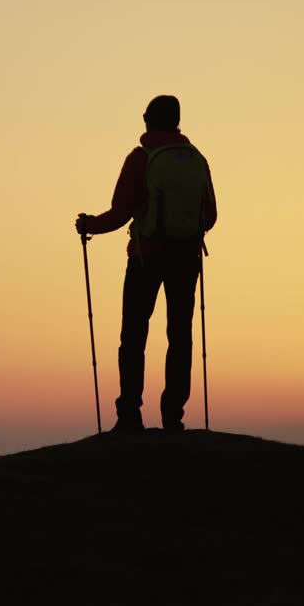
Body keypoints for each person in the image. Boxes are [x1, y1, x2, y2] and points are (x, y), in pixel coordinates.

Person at [74, 95, 218, 432]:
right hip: (186, 258)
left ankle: (129, 415)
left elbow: (120, 213)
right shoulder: (196, 159)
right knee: (180, 335)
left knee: (134, 334)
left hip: (146, 257)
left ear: (146, 120)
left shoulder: (140, 159)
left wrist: (89, 225)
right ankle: (173, 416)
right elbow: (210, 216)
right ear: (177, 121)